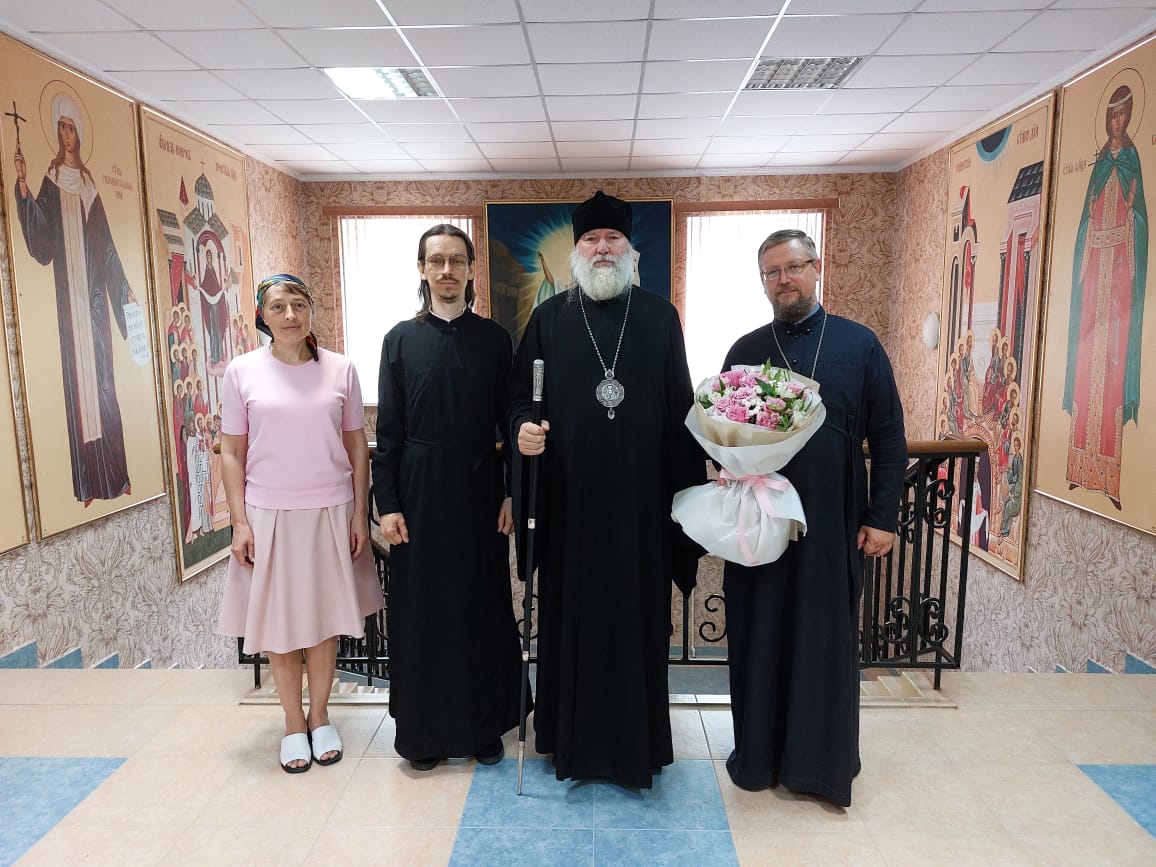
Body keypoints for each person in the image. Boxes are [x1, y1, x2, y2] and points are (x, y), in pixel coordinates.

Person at [512, 190, 706, 789]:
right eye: (591, 240)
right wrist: (522, 430)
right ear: (577, 251)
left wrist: (694, 492)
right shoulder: (548, 319)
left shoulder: (660, 317)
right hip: (569, 508)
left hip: (641, 510)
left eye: (612, 239)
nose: (602, 248)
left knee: (637, 624)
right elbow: (520, 400)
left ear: (630, 250)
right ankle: (569, 742)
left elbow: (681, 407)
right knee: (571, 621)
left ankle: (636, 748)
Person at [719, 229, 906, 807]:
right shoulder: (745, 349)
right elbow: (721, 434)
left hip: (832, 521)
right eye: (772, 272)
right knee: (760, 634)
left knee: (822, 639)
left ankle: (820, 765)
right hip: (761, 520)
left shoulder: (859, 344)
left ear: (816, 267)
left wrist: (883, 517)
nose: (784, 280)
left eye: (794, 267)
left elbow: (889, 437)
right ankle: (759, 758)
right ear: (763, 282)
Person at [372, 224, 525, 772]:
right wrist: (388, 504)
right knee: (423, 613)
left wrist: (513, 493)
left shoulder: (495, 340)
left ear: (470, 269)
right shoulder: (398, 340)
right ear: (421, 269)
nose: (446, 270)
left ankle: (482, 728)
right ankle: (425, 735)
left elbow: (513, 420)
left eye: (456, 261)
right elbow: (388, 432)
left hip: (481, 490)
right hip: (418, 494)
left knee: (481, 607)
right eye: (436, 261)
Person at [218, 274, 384, 774]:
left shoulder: (341, 369)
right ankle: (293, 723)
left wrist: (359, 513)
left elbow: (357, 446)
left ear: (311, 310)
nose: (290, 315)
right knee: (280, 625)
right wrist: (239, 522)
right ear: (262, 317)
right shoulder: (242, 372)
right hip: (267, 515)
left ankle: (320, 715)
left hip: (330, 511)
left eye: (298, 304)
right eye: (277, 306)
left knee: (324, 621)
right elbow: (232, 451)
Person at [13, 89, 134, 505]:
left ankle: (115, 476)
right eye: (61, 127)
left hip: (94, 303)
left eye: (71, 128)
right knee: (78, 392)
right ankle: (87, 485)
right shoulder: (51, 182)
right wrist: (23, 188)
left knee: (103, 384)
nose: (66, 134)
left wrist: (124, 289)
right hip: (70, 304)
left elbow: (108, 245)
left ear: (79, 134)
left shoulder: (87, 185)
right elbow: (42, 242)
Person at [1063, 83, 1148, 510]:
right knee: (1086, 373)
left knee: (1112, 375)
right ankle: (1079, 471)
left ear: (1129, 117)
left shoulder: (1132, 161)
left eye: (1124, 115)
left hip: (1117, 280)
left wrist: (1130, 219)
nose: (1118, 122)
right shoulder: (1099, 165)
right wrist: (1090, 242)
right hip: (1094, 273)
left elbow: (1141, 224)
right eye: (1113, 115)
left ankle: (1110, 480)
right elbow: (1084, 223)